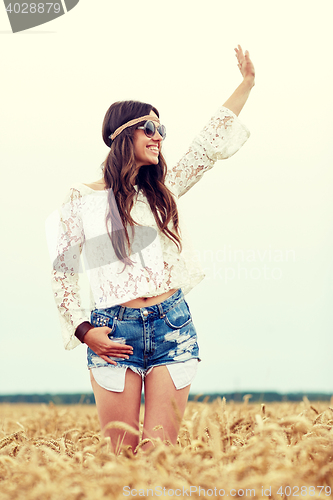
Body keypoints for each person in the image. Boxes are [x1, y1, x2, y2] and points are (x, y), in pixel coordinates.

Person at [49, 45, 255, 454]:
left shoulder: (163, 190)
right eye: (150, 128)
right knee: (120, 458)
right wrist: (85, 332)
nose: (159, 137)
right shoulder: (81, 198)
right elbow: (62, 272)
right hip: (113, 330)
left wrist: (246, 84)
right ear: (122, 135)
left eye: (163, 130)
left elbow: (206, 146)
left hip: (172, 325)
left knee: (160, 456)